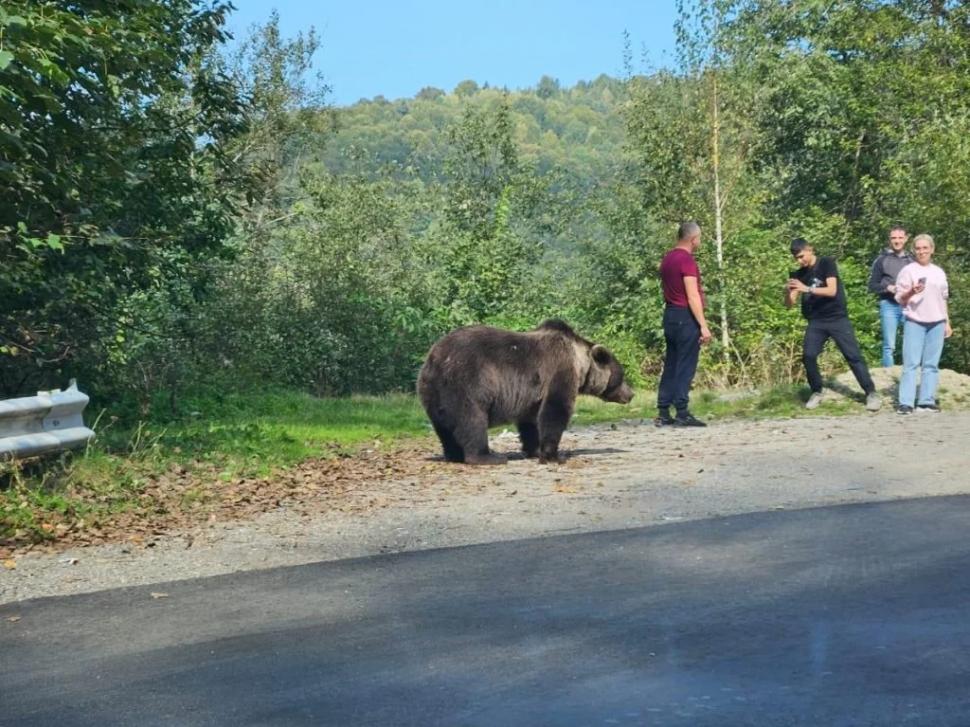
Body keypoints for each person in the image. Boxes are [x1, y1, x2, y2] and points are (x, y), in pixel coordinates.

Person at [785, 238, 882, 411]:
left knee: (852, 355)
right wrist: (789, 292)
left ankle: (871, 392)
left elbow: (832, 290)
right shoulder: (798, 274)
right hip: (816, 321)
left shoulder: (826, 263)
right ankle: (816, 391)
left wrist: (806, 288)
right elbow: (789, 304)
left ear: (810, 249)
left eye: (801, 256)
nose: (800, 261)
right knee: (808, 355)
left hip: (837, 318)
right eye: (796, 259)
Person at [655, 221, 712, 427]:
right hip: (685, 316)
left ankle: (663, 410)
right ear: (693, 238)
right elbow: (692, 295)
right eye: (700, 237)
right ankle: (682, 410)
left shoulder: (667, 258)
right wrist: (703, 325)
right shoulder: (686, 261)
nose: (700, 241)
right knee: (686, 364)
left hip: (669, 315)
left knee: (671, 363)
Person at [894, 234, 952, 414]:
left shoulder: (939, 272)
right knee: (911, 363)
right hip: (915, 320)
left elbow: (943, 299)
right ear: (914, 250)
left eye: (925, 248)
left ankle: (926, 401)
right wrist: (911, 291)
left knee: (931, 364)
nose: (922, 251)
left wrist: (947, 322)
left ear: (932, 249)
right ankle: (906, 402)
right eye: (918, 248)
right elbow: (899, 298)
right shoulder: (908, 270)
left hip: (937, 321)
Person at [868, 225, 914, 366]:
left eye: (900, 238)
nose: (897, 241)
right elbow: (872, 284)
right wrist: (888, 287)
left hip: (908, 306)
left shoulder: (912, 261)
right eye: (894, 238)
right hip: (888, 305)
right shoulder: (881, 260)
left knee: (911, 342)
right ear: (890, 240)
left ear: (906, 239)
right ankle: (888, 375)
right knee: (889, 345)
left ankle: (910, 373)